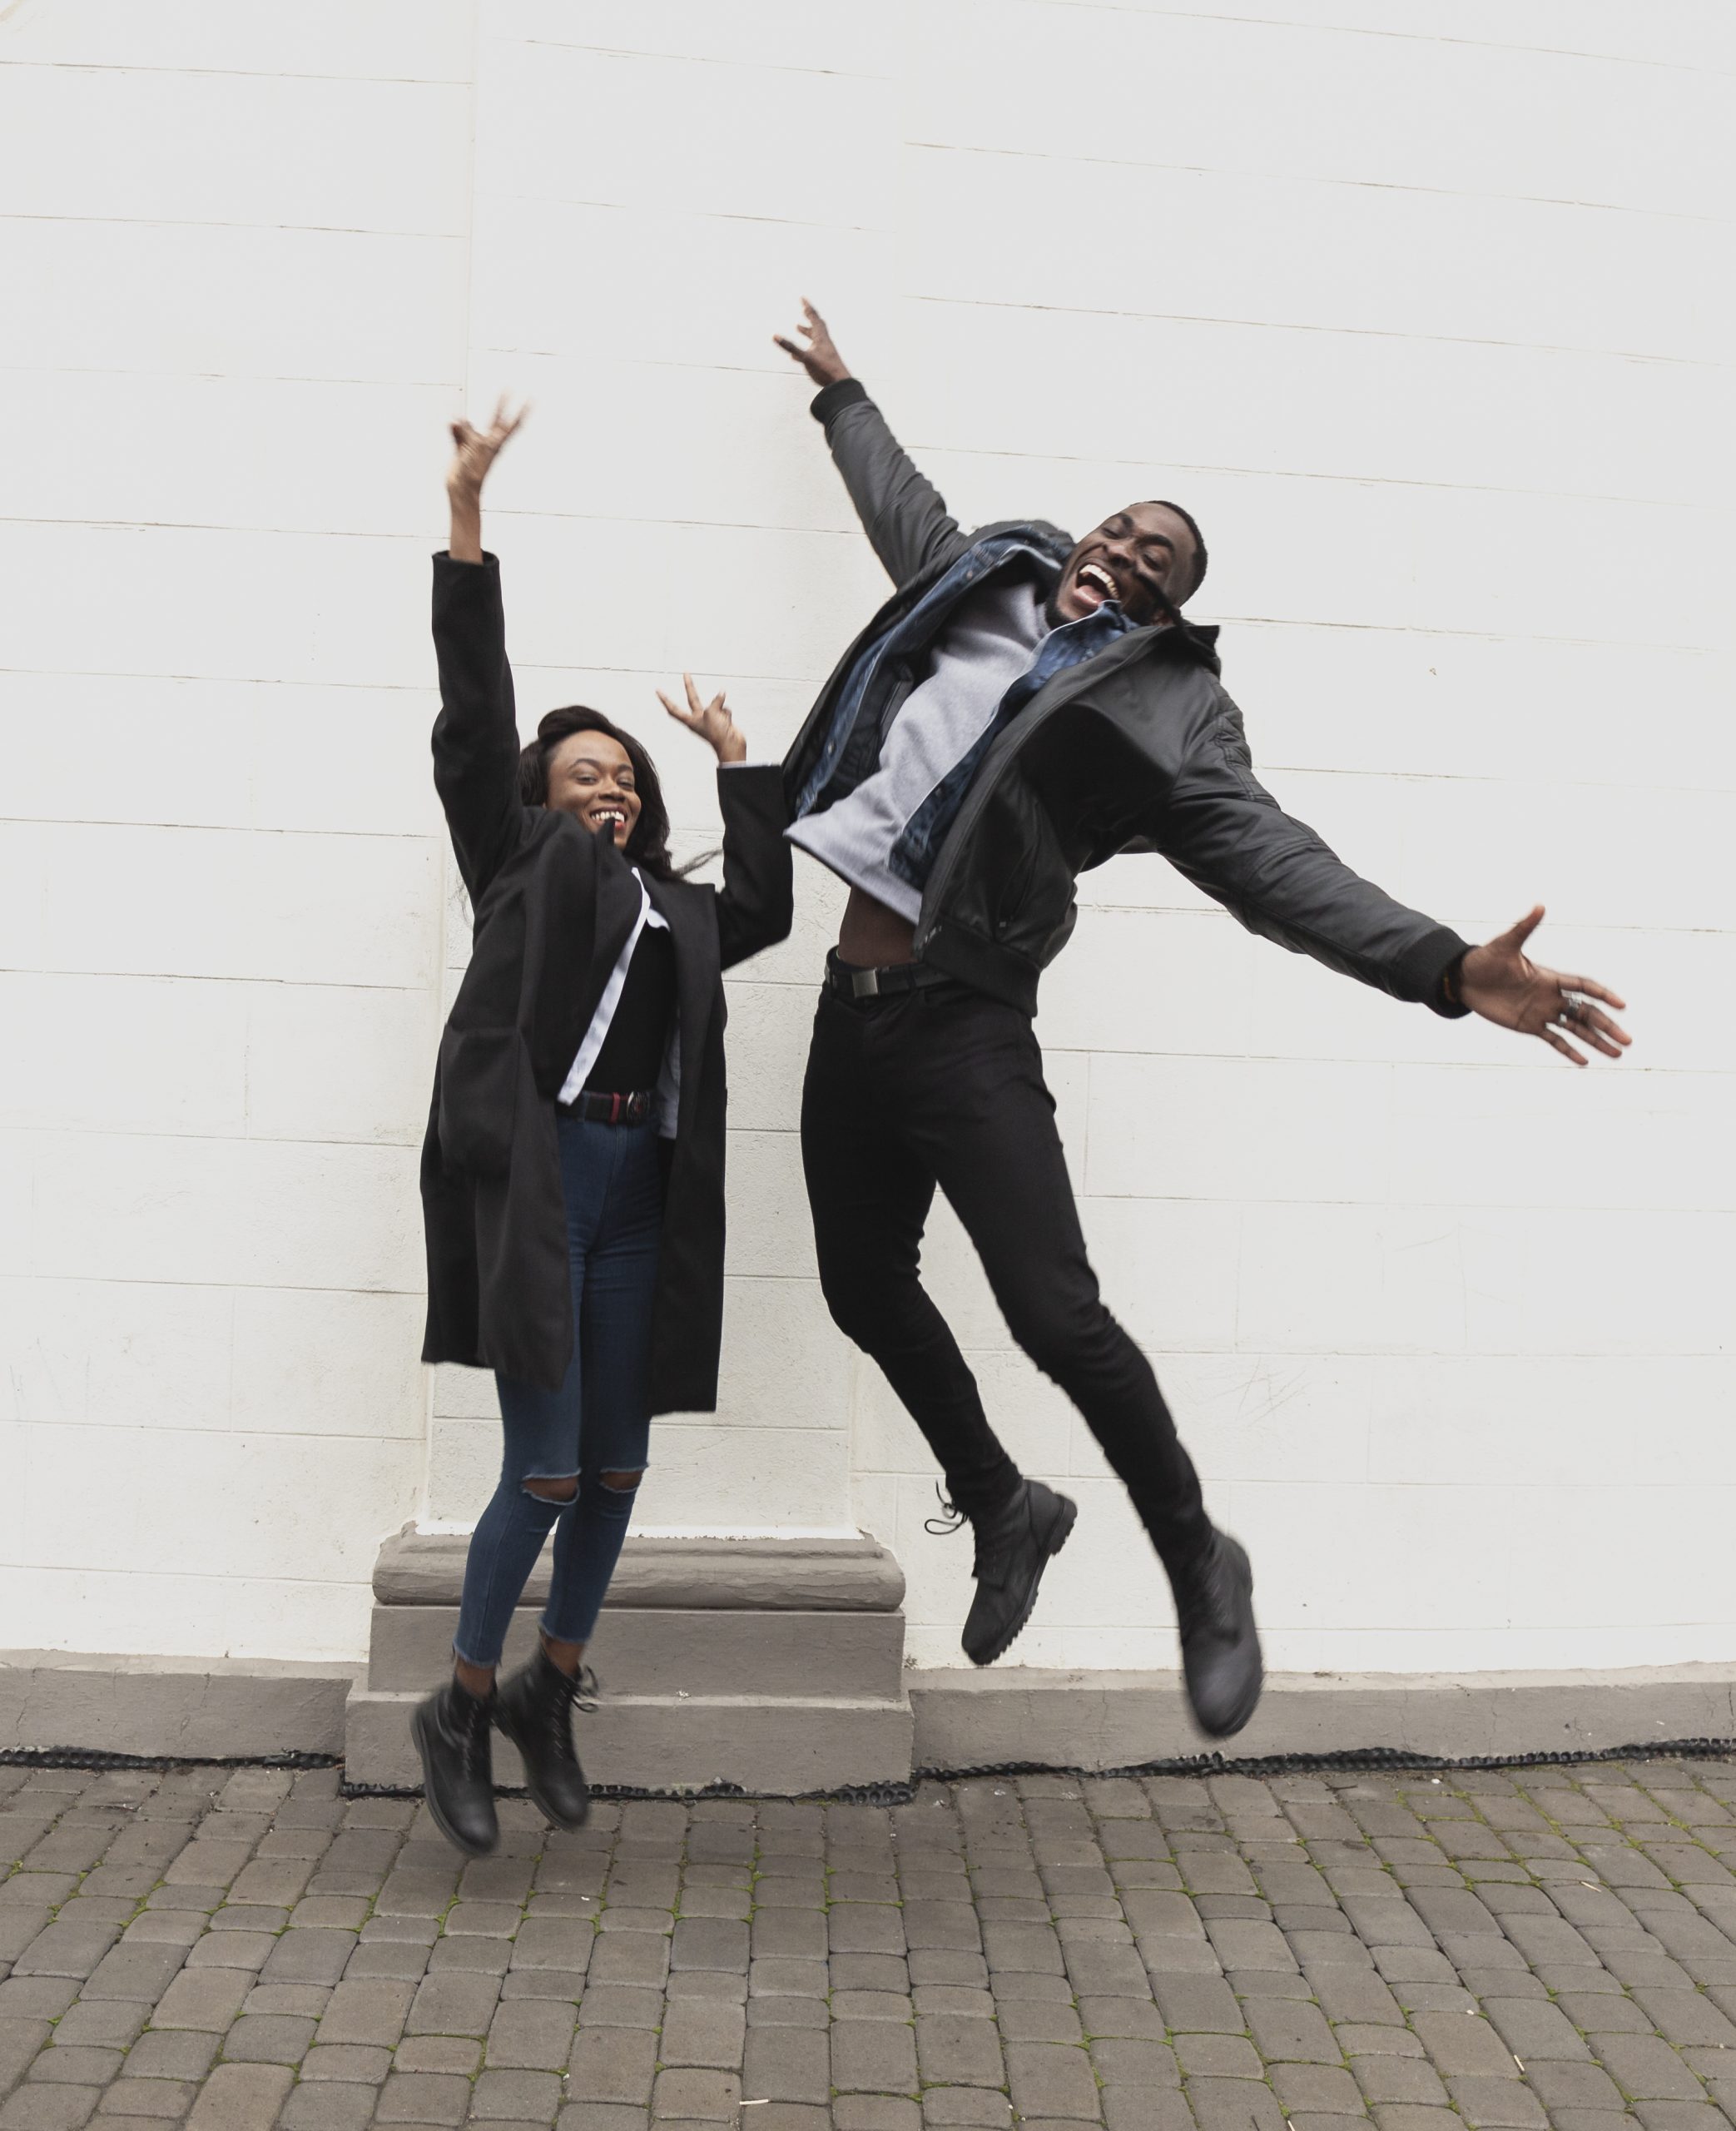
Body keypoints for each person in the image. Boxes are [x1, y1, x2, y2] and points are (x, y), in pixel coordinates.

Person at [773, 301, 1630, 1741]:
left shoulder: (1167, 711)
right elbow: (903, 509)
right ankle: (1002, 1503)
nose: (1116, 550)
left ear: (1165, 608)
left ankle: (1195, 1558)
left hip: (963, 1022)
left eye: (1151, 558)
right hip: (848, 1014)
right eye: (1114, 529)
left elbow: (1275, 865)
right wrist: (843, 398)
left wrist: (1440, 966)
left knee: (1055, 1315)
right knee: (862, 1286)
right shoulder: (983, 577)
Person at [413, 401, 793, 1855]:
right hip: (546, 1183)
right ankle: (455, 1701)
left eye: (623, 777)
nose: (613, 787)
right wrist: (466, 520)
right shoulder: (515, 861)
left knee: (621, 1466)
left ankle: (545, 1690)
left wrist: (733, 761)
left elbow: (758, 905)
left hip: (643, 1187)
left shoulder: (678, 913)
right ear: (538, 797)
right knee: (547, 1466)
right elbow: (471, 713)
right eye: (588, 772)